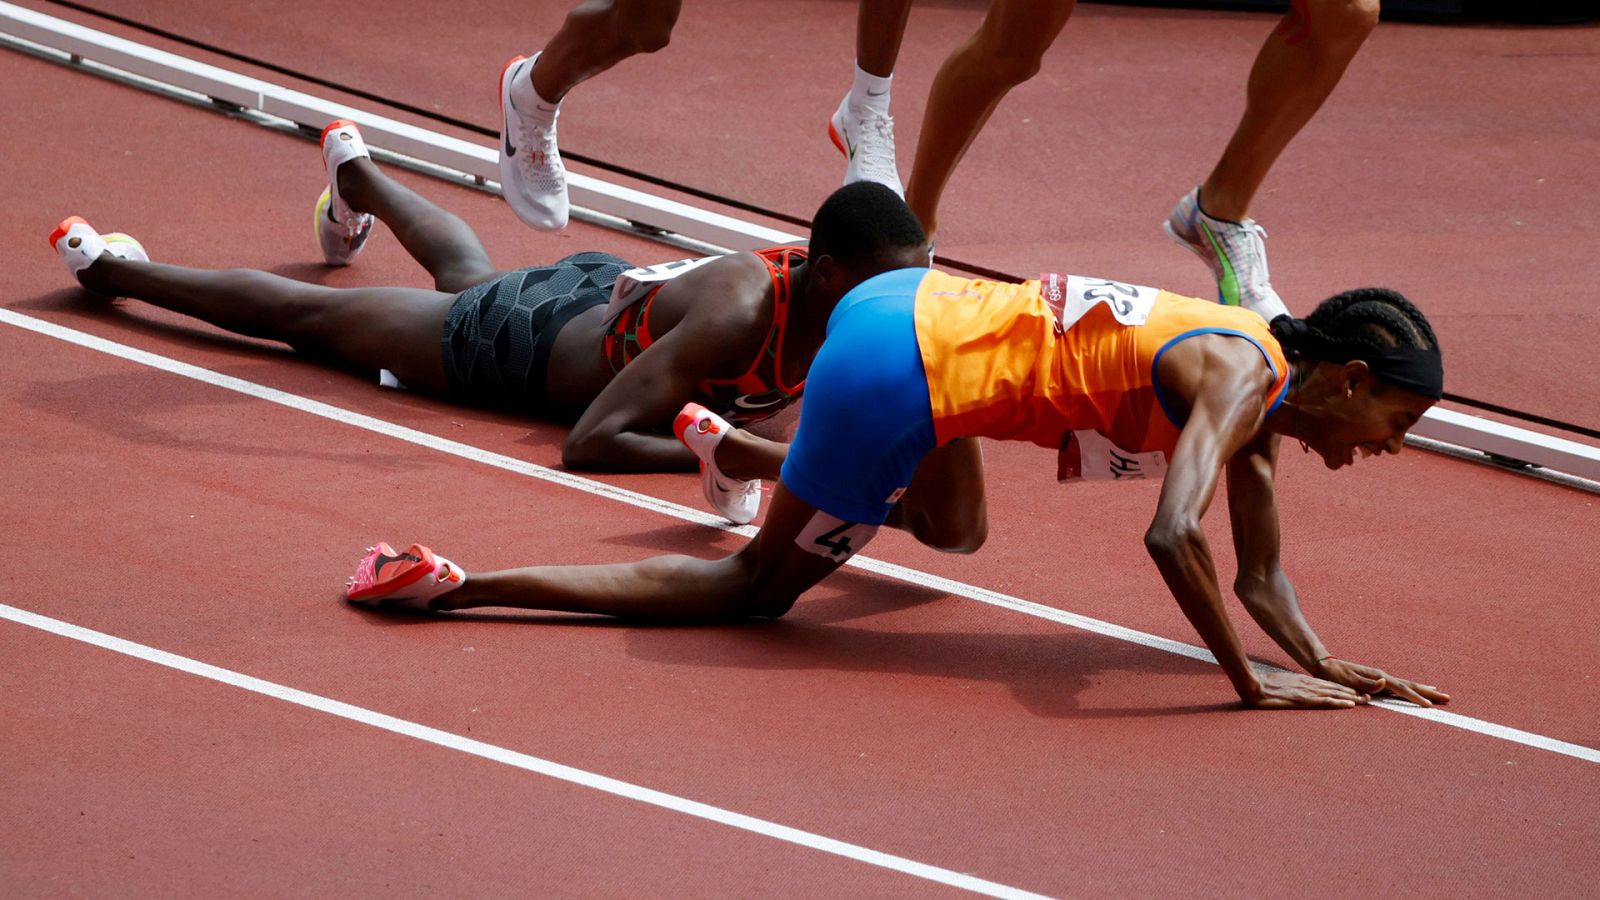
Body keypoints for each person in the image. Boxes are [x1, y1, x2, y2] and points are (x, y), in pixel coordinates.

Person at [346, 225, 1451, 711]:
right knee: (751, 593)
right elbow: (1172, 533)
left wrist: (1335, 665)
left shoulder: (1251, 388)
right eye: (1395, 421)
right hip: (904, 372)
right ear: (1347, 377)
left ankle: (739, 449)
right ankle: (459, 582)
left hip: (911, 307)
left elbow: (1260, 579)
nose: (1386, 450)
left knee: (956, 532)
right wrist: (1247, 684)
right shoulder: (1240, 378)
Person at [48, 122, 930, 521]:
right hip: (516, 346)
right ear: (829, 273)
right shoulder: (744, 309)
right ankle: (113, 269)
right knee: (315, 316)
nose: (903, 306)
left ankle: (359, 177)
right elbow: (590, 442)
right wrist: (761, 460)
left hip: (599, 296)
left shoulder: (843, 278)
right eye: (885, 286)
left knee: (468, 272)